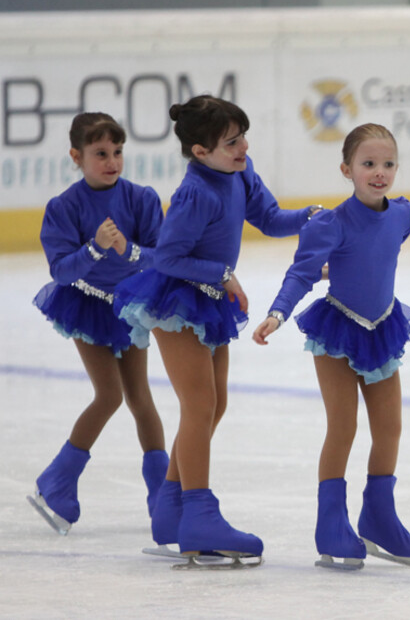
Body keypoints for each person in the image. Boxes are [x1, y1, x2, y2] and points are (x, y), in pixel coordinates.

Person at [114, 95, 321, 569]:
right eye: (232, 141)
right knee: (200, 404)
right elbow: (167, 256)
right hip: (175, 298)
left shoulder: (240, 172)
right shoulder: (194, 193)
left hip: (206, 300)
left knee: (214, 404)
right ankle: (200, 515)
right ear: (200, 151)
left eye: (243, 136)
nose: (244, 146)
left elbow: (269, 218)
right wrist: (222, 274)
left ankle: (171, 508)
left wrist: (307, 216)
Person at [252, 123, 410, 571]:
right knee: (343, 427)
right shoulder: (329, 223)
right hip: (338, 331)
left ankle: (379, 517)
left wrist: (346, 267)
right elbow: (302, 272)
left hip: (383, 325)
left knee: (390, 428)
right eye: (368, 164)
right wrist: (278, 312)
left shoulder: (404, 214)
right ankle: (330, 523)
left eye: (388, 164)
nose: (379, 172)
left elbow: (378, 251)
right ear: (347, 169)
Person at [28, 113, 167, 536]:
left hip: (128, 307)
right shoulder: (64, 207)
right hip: (86, 306)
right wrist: (95, 249)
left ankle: (163, 497)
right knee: (109, 395)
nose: (112, 161)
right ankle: (56, 481)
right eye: (101, 154)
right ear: (77, 156)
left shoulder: (141, 199)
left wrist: (129, 251)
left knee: (140, 397)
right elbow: (61, 272)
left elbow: (162, 257)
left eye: (118, 152)